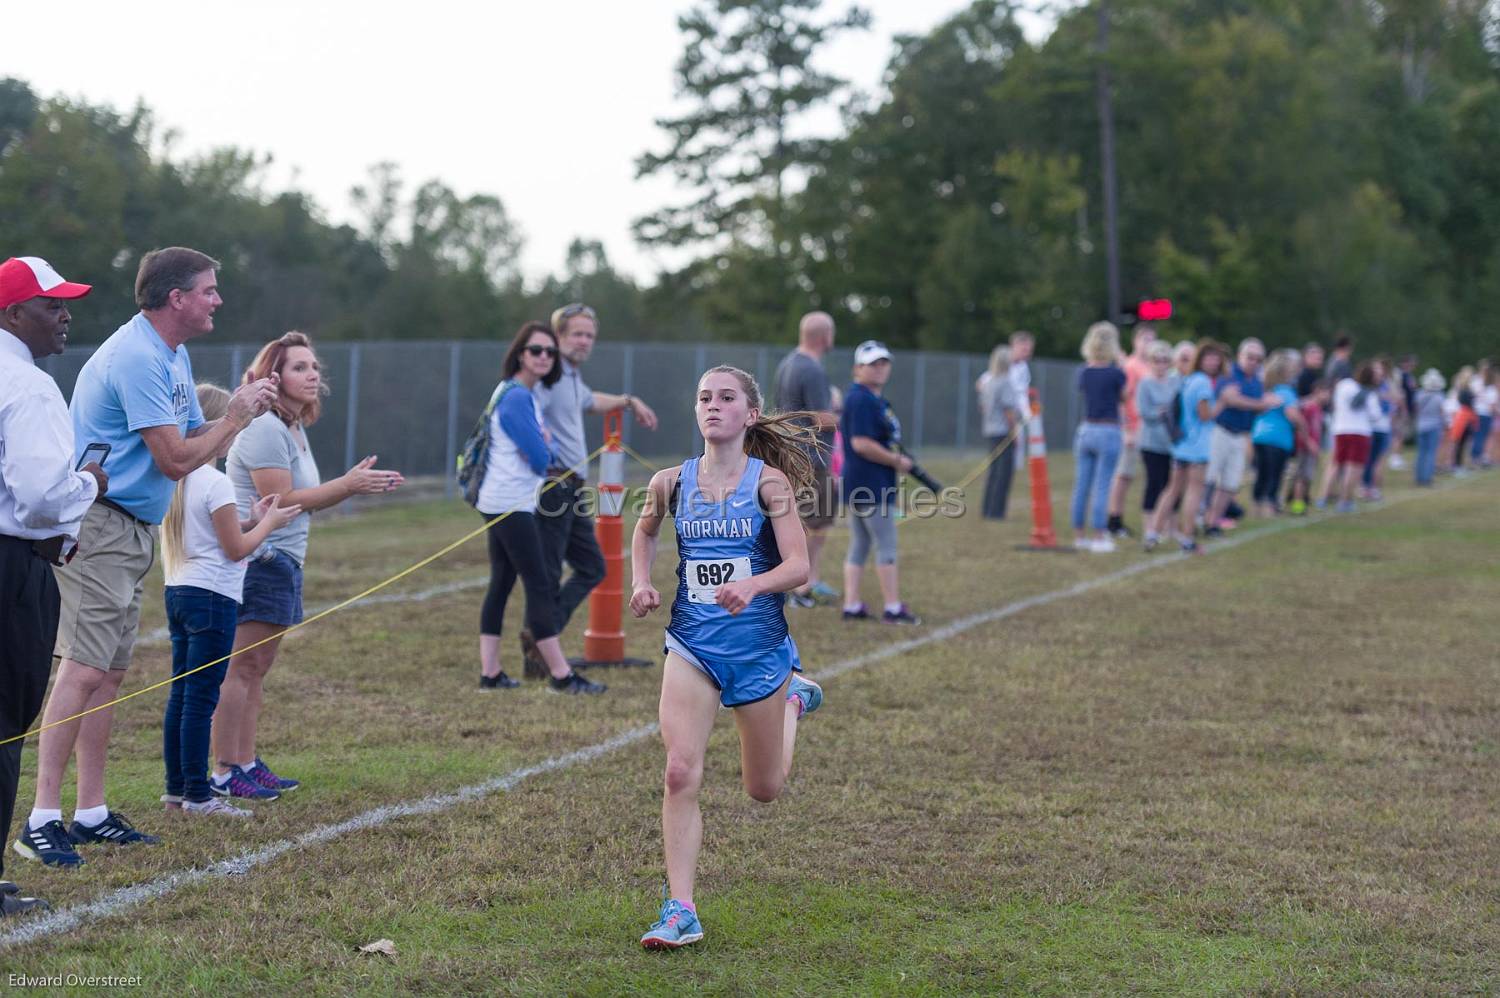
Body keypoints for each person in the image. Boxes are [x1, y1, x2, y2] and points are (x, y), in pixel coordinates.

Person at [17, 248, 278, 869]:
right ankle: (41, 818)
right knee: (82, 671)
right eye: (209, 290)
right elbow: (176, 459)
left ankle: (91, 812)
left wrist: (242, 415)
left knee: (107, 675)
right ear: (175, 298)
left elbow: (195, 439)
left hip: (131, 526)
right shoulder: (137, 357)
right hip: (101, 524)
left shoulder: (171, 354)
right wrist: (238, 414)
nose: (217, 300)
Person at [628, 364, 821, 950]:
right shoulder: (670, 480)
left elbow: (800, 567)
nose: (713, 406)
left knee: (764, 789)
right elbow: (645, 532)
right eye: (704, 397)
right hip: (692, 647)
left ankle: (791, 698)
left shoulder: (770, 485)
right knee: (680, 769)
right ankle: (681, 908)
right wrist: (641, 581)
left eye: (727, 397)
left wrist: (755, 585)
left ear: (750, 413)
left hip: (759, 651)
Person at [212, 331, 405, 800]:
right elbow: (284, 500)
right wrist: (349, 484)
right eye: (299, 367)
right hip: (259, 556)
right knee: (240, 667)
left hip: (282, 560)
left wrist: (347, 485)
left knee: (257, 667)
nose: (313, 373)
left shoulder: (292, 427)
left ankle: (247, 760)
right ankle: (223, 770)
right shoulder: (263, 427)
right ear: (272, 377)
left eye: (314, 365)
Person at [0, 257, 104, 913]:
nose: (65, 315)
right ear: (13, 313)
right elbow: (39, 497)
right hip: (12, 567)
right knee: (6, 724)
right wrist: (91, 484)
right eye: (51, 304)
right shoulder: (30, 387)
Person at [160, 385, 302, 818]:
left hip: (179, 592)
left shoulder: (180, 481)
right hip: (212, 600)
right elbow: (237, 549)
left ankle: (176, 791)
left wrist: (251, 519)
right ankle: (200, 796)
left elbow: (217, 531)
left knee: (181, 694)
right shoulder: (216, 481)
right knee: (201, 700)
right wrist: (270, 523)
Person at [474, 322, 606, 695]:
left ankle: (491, 673)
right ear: (520, 353)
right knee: (538, 586)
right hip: (510, 505)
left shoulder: (521, 395)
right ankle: (562, 676)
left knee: (501, 583)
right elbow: (538, 458)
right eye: (536, 350)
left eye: (550, 352)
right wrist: (546, 443)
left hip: (505, 500)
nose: (544, 357)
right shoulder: (516, 397)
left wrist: (542, 439)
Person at [529, 303, 659, 676]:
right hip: (551, 485)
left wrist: (628, 401)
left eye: (590, 335)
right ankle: (542, 649)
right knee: (549, 574)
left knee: (592, 566)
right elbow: (526, 407)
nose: (585, 341)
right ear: (558, 337)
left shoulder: (570, 376)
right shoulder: (547, 374)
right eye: (577, 334)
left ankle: (541, 636)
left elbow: (590, 402)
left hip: (571, 488)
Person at [838, 341, 919, 623]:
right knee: (886, 543)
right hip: (869, 484)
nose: (880, 368)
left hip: (864, 482)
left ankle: (852, 604)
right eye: (873, 364)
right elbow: (860, 444)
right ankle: (893, 607)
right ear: (858, 369)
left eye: (883, 363)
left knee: (860, 543)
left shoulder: (870, 399)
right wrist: (896, 461)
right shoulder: (860, 399)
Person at [773, 311, 839, 606]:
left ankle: (807, 580)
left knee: (803, 522)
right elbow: (822, 419)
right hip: (812, 458)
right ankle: (802, 585)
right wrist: (841, 409)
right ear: (825, 337)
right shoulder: (812, 369)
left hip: (792, 454)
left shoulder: (787, 363)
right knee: (816, 525)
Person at [1145, 339, 1226, 553]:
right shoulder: (1203, 383)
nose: (1214, 363)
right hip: (1197, 445)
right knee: (1193, 491)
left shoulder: (1188, 380)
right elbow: (1205, 415)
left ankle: (1153, 533)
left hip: (1182, 444)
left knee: (1172, 489)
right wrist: (1223, 403)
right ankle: (1188, 538)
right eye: (1210, 358)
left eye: (1216, 359)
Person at [1203, 338, 1281, 536]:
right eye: (1250, 357)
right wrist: (1261, 404)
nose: (1253, 362)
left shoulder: (1256, 381)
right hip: (1221, 431)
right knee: (1209, 478)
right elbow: (1231, 399)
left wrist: (1264, 404)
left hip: (1241, 435)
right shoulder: (1229, 373)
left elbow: (1250, 405)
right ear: (1240, 356)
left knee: (1230, 483)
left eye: (1257, 359)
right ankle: (1200, 517)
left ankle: (1213, 523)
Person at [1070, 322, 1127, 553]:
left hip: (1086, 430)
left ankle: (1079, 535)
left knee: (1081, 485)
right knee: (1102, 485)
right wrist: (1121, 364)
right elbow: (1123, 397)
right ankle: (1099, 536)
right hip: (1108, 430)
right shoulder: (1116, 373)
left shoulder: (1083, 371)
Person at [1105, 324, 1156, 538]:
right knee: (1124, 475)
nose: (1148, 343)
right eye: (1144, 339)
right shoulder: (1131, 366)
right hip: (1134, 428)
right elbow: (1122, 399)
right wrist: (1126, 428)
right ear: (1135, 341)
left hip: (1150, 429)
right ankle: (1114, 519)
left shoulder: (1152, 367)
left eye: (1152, 339)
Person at [1317, 361, 1382, 512]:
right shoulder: (1369, 393)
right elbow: (1375, 416)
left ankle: (1323, 497)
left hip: (1340, 430)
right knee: (1353, 467)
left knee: (1335, 464)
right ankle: (1345, 500)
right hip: (1360, 432)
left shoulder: (1344, 385)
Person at [1250, 349, 1305, 517]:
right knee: (1274, 475)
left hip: (1259, 436)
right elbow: (1292, 415)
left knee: (1262, 473)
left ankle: (1257, 507)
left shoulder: (1268, 390)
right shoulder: (1286, 392)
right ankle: (1269, 507)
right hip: (1278, 439)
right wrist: (1303, 425)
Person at [1134, 339, 1177, 540]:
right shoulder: (1145, 383)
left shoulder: (1175, 382)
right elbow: (1144, 412)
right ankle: (1149, 526)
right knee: (1154, 483)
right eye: (1156, 360)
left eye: (1164, 360)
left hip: (1172, 443)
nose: (1160, 365)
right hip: (1151, 443)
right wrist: (1160, 412)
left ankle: (1169, 526)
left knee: (1171, 485)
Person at [975, 344, 1024, 519]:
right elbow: (1009, 411)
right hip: (1003, 432)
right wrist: (1015, 432)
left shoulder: (988, 382)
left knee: (994, 471)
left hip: (990, 430)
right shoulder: (1005, 381)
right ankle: (997, 512)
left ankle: (987, 508)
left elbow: (982, 406)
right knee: (1004, 473)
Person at [1285, 381, 1328, 515]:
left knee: (1307, 477)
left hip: (1311, 447)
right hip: (1303, 447)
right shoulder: (1308, 407)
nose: (1328, 396)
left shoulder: (1318, 409)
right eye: (1325, 392)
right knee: (1301, 477)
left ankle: (1301, 502)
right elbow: (1300, 426)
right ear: (1317, 391)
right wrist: (1308, 442)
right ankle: (1297, 506)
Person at [1360, 358, 1395, 500]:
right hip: (1371, 427)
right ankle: (1366, 487)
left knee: (1377, 459)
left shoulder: (1384, 386)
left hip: (1383, 426)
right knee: (1370, 459)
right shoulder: (1368, 388)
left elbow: (1392, 403)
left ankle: (1372, 487)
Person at [1413, 369, 1446, 486]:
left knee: (1421, 453)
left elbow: (1416, 410)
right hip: (1434, 426)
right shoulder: (1439, 396)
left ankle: (1419, 477)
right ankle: (1427, 479)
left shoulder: (1419, 394)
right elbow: (1442, 413)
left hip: (1421, 426)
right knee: (1430, 453)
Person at [1007, 331, 1035, 471]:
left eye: (1029, 350)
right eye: (1024, 350)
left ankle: (1013, 470)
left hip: (1017, 414)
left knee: (1019, 443)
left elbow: (1022, 392)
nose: (1027, 353)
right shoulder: (1004, 363)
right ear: (1014, 346)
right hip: (1005, 414)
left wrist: (1026, 411)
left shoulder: (1023, 367)